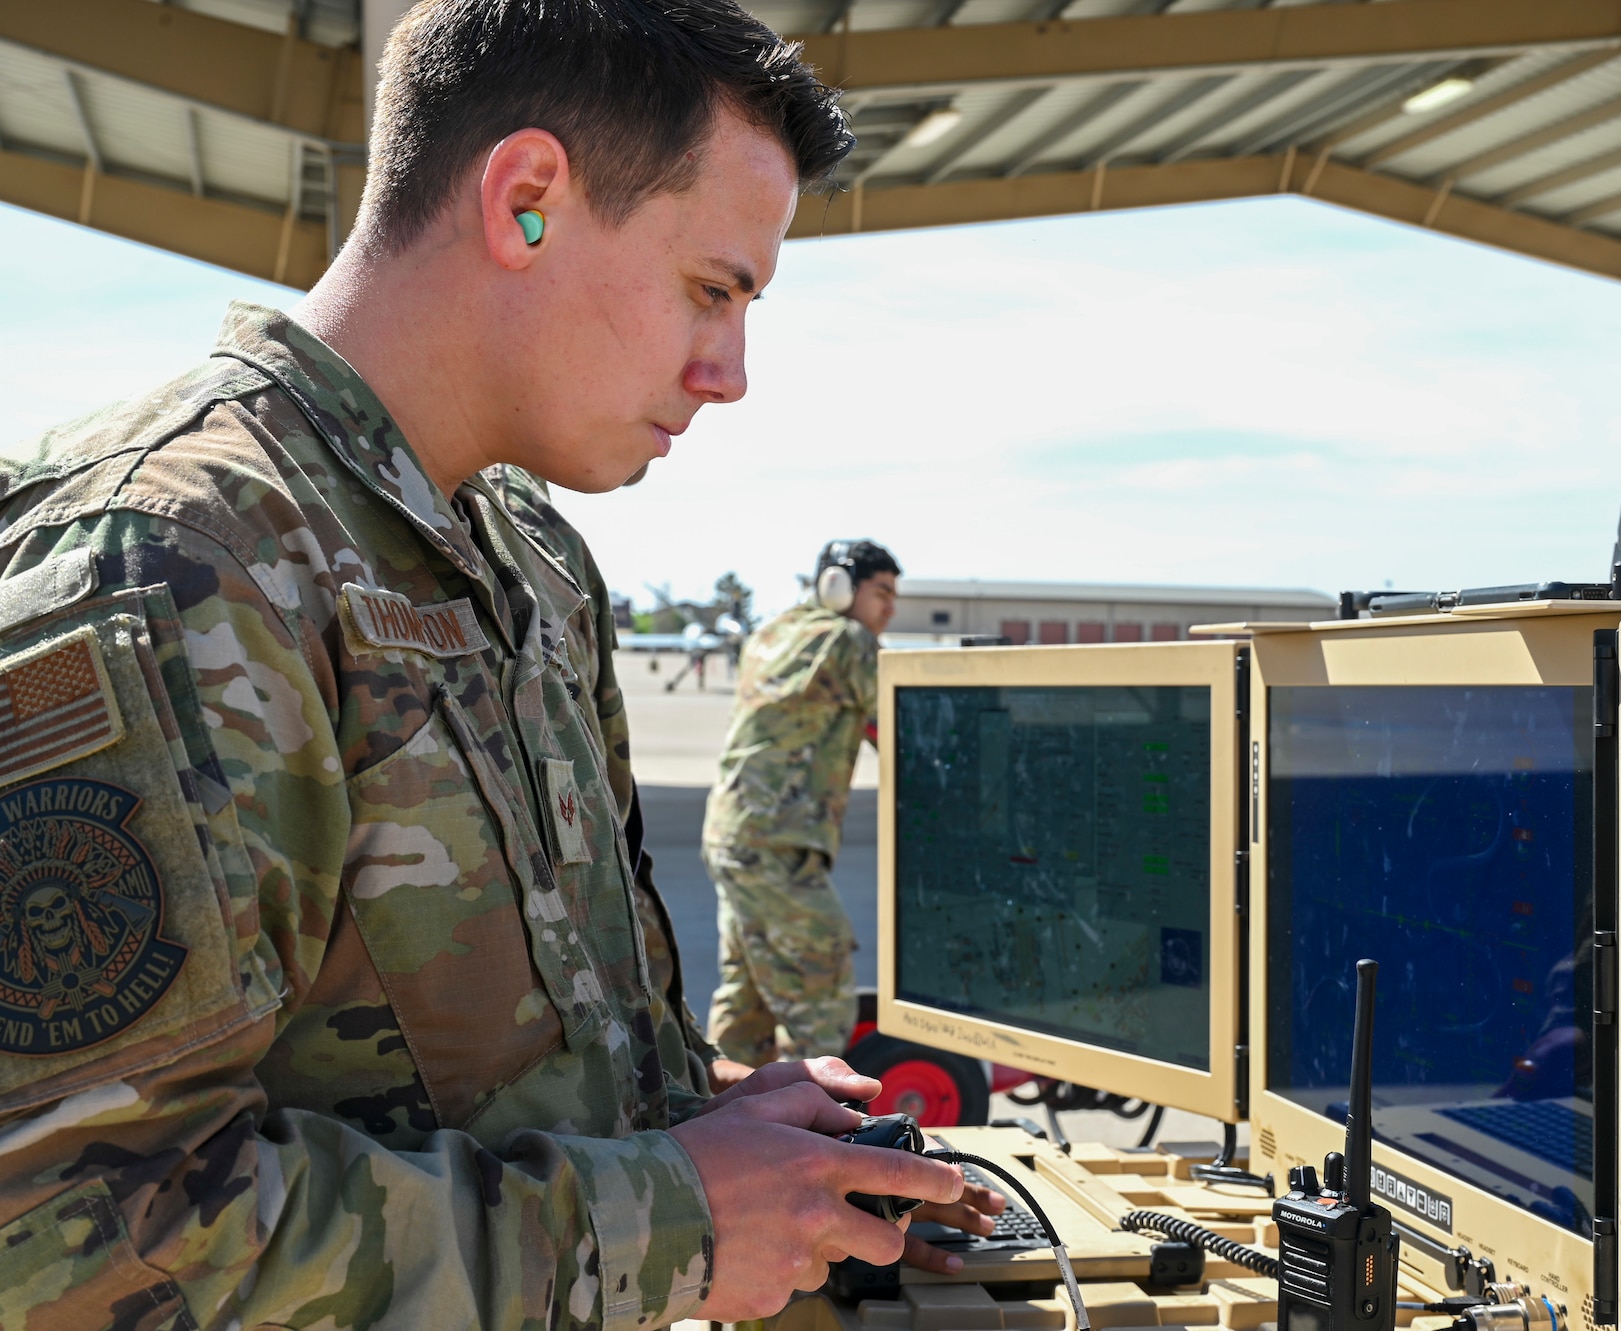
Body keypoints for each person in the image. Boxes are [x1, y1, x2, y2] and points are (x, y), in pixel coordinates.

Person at [0, 3, 999, 1325]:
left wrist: (732, 1141)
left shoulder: (531, 561)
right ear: (526, 200)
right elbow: (70, 1242)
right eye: (713, 288)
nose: (731, 371)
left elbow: (512, 1080)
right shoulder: (176, 561)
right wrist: (675, 1219)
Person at [704, 540, 899, 1066]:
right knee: (821, 992)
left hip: (731, 837)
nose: (890, 608)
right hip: (778, 847)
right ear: (838, 586)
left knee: (746, 998)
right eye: (881, 592)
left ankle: (720, 1121)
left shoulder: (772, 632)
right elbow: (907, 733)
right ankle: (815, 1126)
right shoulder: (850, 641)